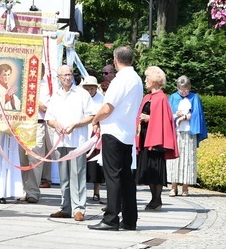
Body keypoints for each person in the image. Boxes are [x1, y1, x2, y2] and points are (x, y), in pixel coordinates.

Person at [88, 45, 143, 231]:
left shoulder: (121, 80)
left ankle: (110, 218)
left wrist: (95, 119)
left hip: (114, 131)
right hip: (127, 133)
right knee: (126, 178)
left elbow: (107, 108)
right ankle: (129, 219)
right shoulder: (136, 79)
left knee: (113, 177)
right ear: (132, 60)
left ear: (115, 60)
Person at [45, 65, 95, 222]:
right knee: (64, 176)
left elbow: (91, 116)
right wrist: (55, 125)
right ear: (59, 78)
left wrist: (76, 124)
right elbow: (49, 118)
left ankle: (79, 208)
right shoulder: (56, 96)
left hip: (77, 140)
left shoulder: (81, 94)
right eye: (64, 75)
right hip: (61, 141)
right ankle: (65, 206)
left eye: (69, 74)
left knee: (78, 174)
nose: (67, 77)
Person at [136, 66, 178, 211]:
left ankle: (157, 199)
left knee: (156, 167)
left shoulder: (161, 98)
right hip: (145, 137)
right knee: (148, 168)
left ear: (154, 80)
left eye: (147, 78)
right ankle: (154, 198)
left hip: (156, 138)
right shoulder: (147, 97)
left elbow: (164, 120)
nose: (145, 81)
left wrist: (149, 118)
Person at [167, 75, 208, 197]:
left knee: (188, 159)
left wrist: (186, 117)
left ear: (189, 87)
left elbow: (198, 115)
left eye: (186, 89)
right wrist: (177, 115)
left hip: (189, 132)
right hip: (176, 132)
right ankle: (173, 187)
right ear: (177, 88)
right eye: (181, 90)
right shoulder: (173, 98)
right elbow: (168, 115)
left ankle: (185, 187)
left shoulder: (194, 98)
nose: (184, 92)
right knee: (174, 160)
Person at [18, 63, 51, 203]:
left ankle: (33, 191)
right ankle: (22, 190)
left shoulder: (47, 86)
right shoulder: (23, 84)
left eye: (39, 71)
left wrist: (31, 97)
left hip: (38, 124)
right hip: (23, 125)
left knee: (36, 159)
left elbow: (45, 108)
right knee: (21, 159)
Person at [81, 75, 105, 202]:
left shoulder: (102, 99)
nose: (89, 91)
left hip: (95, 134)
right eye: (87, 88)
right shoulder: (81, 98)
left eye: (91, 88)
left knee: (95, 166)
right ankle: (80, 191)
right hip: (82, 132)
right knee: (81, 164)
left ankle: (96, 191)